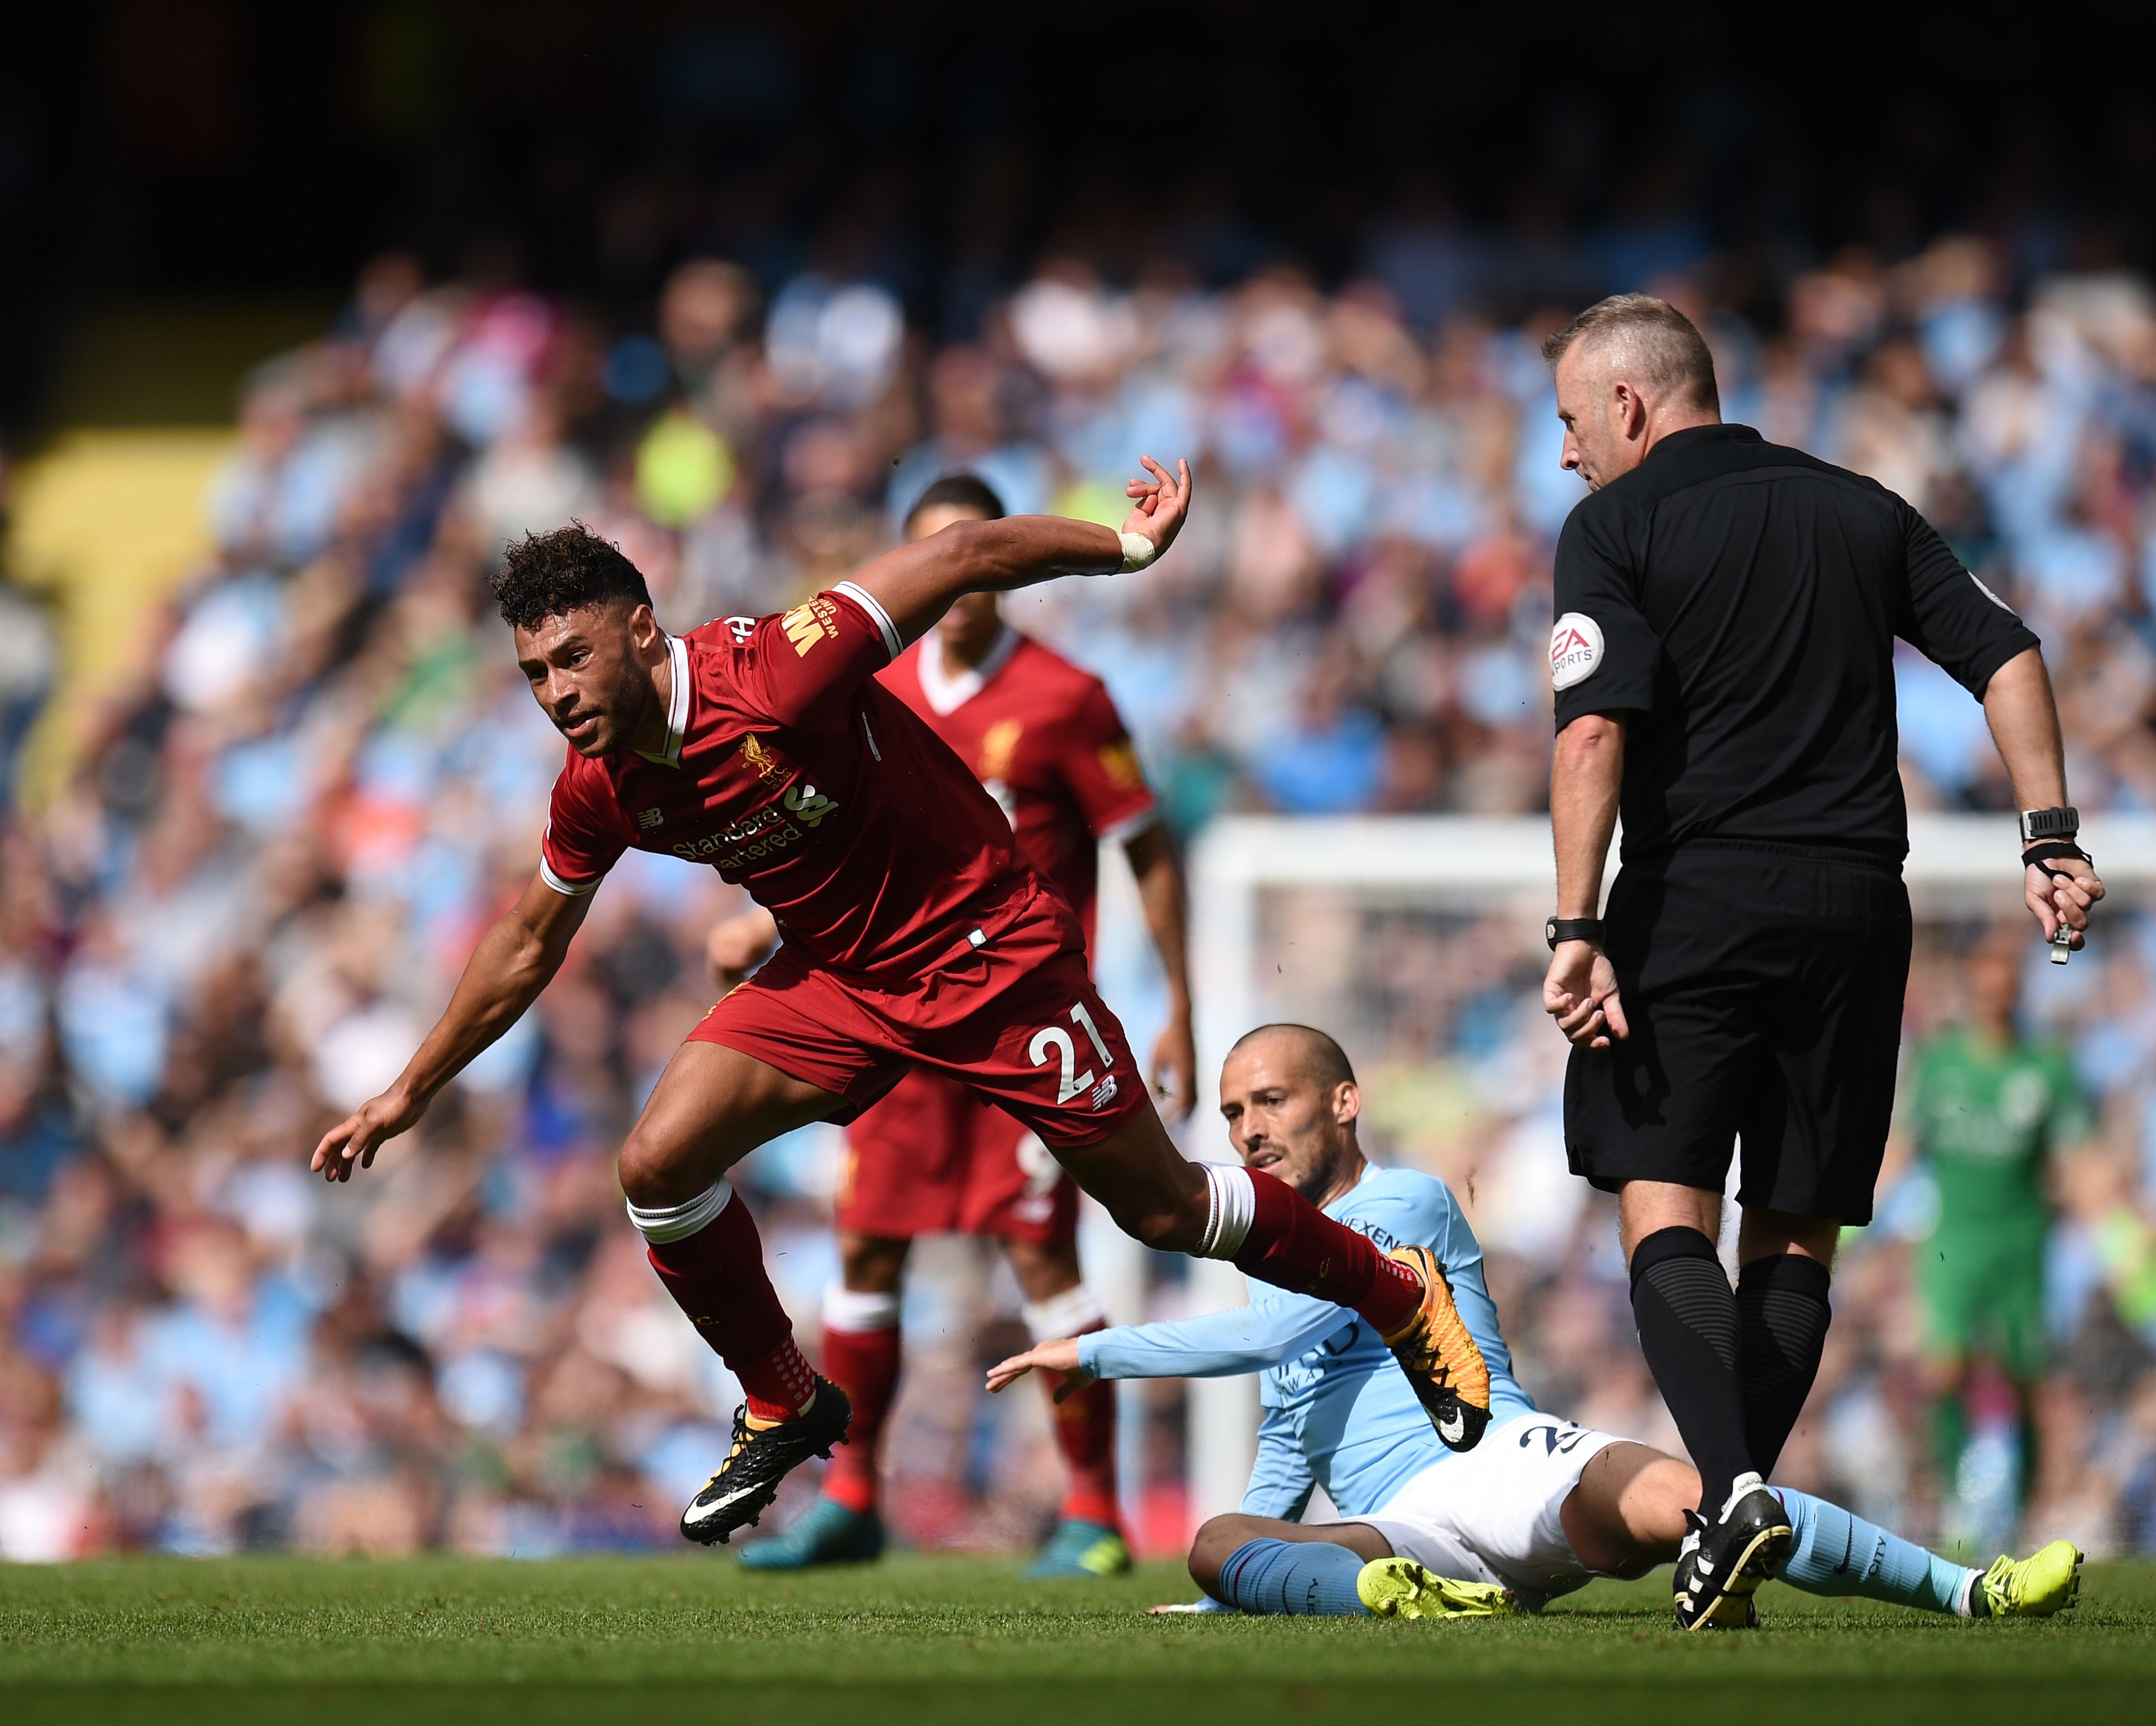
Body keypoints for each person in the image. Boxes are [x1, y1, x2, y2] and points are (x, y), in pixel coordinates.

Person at [310, 458, 1496, 1547]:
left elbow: (962, 557)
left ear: (639, 628)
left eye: (572, 658)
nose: (558, 694)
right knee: (657, 1162)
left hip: (990, 957)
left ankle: (1395, 1288)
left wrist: (1122, 548)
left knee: (1162, 1208)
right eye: (533, 676)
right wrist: (406, 1091)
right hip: (839, 976)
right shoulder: (600, 790)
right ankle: (784, 1396)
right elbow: (526, 943)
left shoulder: (772, 670)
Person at [1533, 294, 2106, 1626]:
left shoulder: (1612, 525)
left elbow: (1589, 737)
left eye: (1569, 420)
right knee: (1794, 1236)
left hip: (1697, 901)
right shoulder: (1865, 507)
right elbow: (2010, 654)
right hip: (1859, 905)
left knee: (1660, 1201)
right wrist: (2050, 835)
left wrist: (1575, 924)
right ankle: (1732, 1523)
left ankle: (1732, 1498)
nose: (1563, 451)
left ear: (1628, 403)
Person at [986, 1023, 2086, 1625]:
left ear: (1342, 1101)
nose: (1247, 1127)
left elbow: (1277, 1342)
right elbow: (1290, 1431)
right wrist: (1245, 1577)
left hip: (1500, 1465)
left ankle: (1967, 1588)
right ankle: (1395, 1602)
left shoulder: (1402, 1203)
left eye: (1268, 1100)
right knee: (1214, 1541)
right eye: (1231, 1112)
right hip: (1407, 1535)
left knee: (1701, 1502)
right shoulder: (1280, 1263)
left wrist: (1095, 1352)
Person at [710, 472, 1196, 1580]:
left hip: (1019, 1018)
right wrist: (755, 937)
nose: (957, 578)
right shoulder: (862, 691)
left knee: (1039, 1250)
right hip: (893, 1018)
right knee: (868, 1245)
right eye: (934, 550)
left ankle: (1091, 1514)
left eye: (970, 551)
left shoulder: (1068, 696)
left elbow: (1147, 850)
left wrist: (1178, 1007)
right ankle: (849, 1498)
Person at [1901, 932, 2095, 1546]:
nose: (1995, 992)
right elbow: (1902, 1148)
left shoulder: (2045, 1066)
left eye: (2005, 979)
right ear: (1970, 988)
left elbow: (2080, 1158)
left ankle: (2024, 1512)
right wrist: (1846, 1230)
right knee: (1944, 1368)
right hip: (1953, 1239)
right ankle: (1959, 1501)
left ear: (2018, 987)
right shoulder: (1940, 1063)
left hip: (2021, 1241)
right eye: (1984, 980)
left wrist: (2118, 1223)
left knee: (2023, 1374)